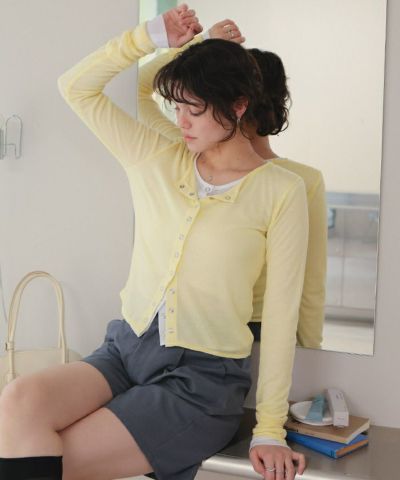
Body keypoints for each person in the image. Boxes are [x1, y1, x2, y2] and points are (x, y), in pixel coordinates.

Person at [0, 5, 308, 480]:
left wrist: (269, 429)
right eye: (176, 107)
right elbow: (76, 87)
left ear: (238, 105)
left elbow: (283, 315)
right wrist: (151, 37)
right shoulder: (158, 157)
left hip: (202, 380)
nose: (182, 121)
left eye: (194, 109)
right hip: (126, 350)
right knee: (19, 400)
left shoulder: (282, 191)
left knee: (45, 458)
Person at [138, 19, 327, 350]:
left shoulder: (295, 184)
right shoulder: (187, 158)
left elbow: (308, 285)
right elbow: (137, 91)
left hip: (257, 331)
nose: (184, 116)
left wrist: (311, 355)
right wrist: (200, 46)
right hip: (195, 327)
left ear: (240, 103)